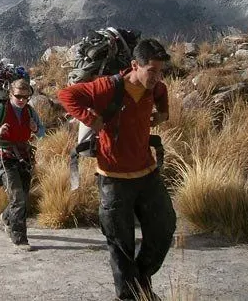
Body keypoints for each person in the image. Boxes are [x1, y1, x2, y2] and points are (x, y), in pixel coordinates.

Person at [57, 38, 176, 300]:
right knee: (120, 246)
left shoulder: (153, 87)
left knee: (165, 228)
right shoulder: (107, 88)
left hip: (147, 173)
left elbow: (162, 91)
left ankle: (140, 282)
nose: (156, 77)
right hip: (113, 180)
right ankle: (129, 295)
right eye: (151, 71)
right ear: (135, 65)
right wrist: (92, 119)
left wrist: (164, 113)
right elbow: (66, 95)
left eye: (160, 71)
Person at [0, 78, 45, 251]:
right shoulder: (0, 110)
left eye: (26, 97)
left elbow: (42, 132)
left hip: (24, 157)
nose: (22, 100)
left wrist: (36, 129)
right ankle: (19, 238)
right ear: (10, 95)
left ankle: (7, 217)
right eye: (18, 96)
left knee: (22, 195)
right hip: (5, 157)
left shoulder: (30, 112)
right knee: (18, 197)